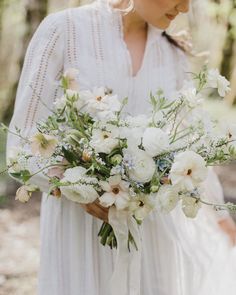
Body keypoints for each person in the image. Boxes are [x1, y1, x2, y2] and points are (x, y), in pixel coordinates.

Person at [6, 0, 236, 294]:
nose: (185, 8)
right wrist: (72, 184)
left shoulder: (172, 54)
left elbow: (188, 145)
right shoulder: (64, 31)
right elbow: (21, 142)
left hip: (151, 231)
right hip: (80, 230)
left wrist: (220, 217)